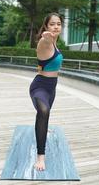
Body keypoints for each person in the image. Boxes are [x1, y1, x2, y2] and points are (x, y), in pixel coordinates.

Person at [29, 12, 64, 171]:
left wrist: (51, 38)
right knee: (43, 111)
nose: (56, 27)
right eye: (52, 24)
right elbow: (45, 38)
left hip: (52, 88)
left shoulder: (56, 43)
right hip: (40, 87)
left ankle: (44, 126)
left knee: (46, 114)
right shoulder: (46, 42)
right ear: (46, 26)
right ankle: (40, 157)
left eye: (58, 24)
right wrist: (46, 36)